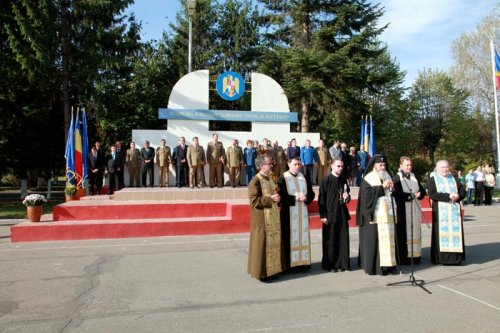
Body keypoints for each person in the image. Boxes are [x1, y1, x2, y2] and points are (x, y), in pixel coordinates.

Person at [356, 154, 397, 276]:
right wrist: (381, 187)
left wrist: (392, 188)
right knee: (375, 242)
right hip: (374, 216)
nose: (383, 167)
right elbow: (366, 196)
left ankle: (388, 266)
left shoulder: (387, 176)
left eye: (384, 165)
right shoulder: (368, 178)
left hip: (387, 217)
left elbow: (390, 193)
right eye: (380, 165)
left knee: (388, 242)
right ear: (374, 166)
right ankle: (374, 267)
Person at [247, 155, 283, 282]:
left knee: (273, 244)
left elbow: (274, 194)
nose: (271, 165)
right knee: (262, 244)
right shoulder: (255, 181)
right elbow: (254, 201)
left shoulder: (271, 178)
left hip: (273, 217)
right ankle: (262, 273)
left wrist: (277, 198)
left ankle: (273, 270)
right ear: (262, 166)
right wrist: (270, 199)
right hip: (262, 218)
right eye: (269, 163)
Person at [278, 157, 315, 272]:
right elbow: (280, 195)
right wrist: (295, 198)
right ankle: (288, 266)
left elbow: (312, 194)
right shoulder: (283, 177)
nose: (298, 166)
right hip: (288, 214)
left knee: (302, 237)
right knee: (288, 237)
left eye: (299, 164)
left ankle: (303, 264)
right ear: (289, 164)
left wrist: (306, 197)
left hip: (302, 213)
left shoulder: (303, 177)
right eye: (295, 164)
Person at [428, 160, 465, 265]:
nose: (445, 169)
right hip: (440, 211)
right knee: (441, 235)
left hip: (454, 212)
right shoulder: (433, 179)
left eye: (446, 167)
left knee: (455, 235)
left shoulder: (454, 179)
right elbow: (432, 194)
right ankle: (441, 259)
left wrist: (458, 196)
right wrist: (448, 196)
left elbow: (462, 191)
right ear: (437, 168)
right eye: (442, 167)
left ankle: (456, 259)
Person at [318, 157, 351, 272]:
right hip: (330, 213)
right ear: (332, 166)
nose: (340, 168)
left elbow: (347, 194)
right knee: (331, 240)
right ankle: (330, 264)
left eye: (342, 166)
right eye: (338, 166)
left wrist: (347, 198)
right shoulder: (326, 179)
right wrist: (323, 215)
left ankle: (342, 263)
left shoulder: (343, 179)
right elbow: (321, 198)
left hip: (341, 213)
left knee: (342, 239)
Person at [392, 156, 426, 265]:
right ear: (401, 166)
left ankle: (415, 256)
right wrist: (410, 196)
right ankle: (403, 257)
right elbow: (396, 194)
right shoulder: (397, 178)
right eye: (407, 165)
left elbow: (422, 190)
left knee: (415, 232)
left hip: (414, 210)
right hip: (403, 210)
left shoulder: (413, 177)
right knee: (403, 233)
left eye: (410, 165)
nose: (409, 167)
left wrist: (420, 194)